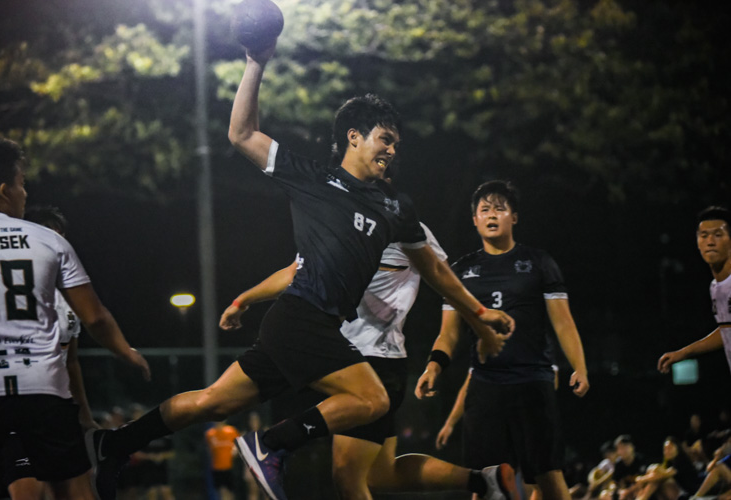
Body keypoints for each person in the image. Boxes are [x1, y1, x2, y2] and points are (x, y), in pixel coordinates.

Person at [86, 41, 514, 500]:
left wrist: (478, 312)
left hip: (307, 327)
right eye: (384, 139)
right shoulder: (312, 180)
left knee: (211, 401)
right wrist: (256, 63)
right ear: (354, 136)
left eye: (396, 144)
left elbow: (435, 271)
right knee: (372, 399)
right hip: (301, 319)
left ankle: (113, 443)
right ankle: (271, 446)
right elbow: (241, 135)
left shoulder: (396, 207)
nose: (392, 150)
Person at [220, 191, 518, 499]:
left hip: (377, 361)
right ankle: (485, 482)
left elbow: (447, 282)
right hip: (346, 357)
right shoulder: (338, 227)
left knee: (347, 478)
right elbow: (295, 273)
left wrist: (472, 333)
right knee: (380, 475)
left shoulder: (406, 230)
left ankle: (273, 442)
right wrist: (244, 300)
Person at [0, 137, 150, 499]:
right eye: (21, 182)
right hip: (41, 386)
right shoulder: (48, 240)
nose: (24, 192)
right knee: (75, 487)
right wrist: (125, 352)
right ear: (4, 190)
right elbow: (96, 316)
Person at [416, 180, 589, 500]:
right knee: (485, 481)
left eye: (500, 208)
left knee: (548, 476)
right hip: (485, 387)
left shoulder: (539, 263)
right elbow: (449, 332)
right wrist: (434, 366)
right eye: (484, 209)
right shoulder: (461, 270)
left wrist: (579, 366)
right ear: (475, 220)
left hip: (532, 382)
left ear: (514, 217)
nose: (492, 214)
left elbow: (563, 322)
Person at [0, 206, 103, 500]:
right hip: (15, 404)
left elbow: (71, 362)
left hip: (55, 411)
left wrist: (85, 416)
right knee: (28, 490)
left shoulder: (69, 300)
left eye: (60, 238)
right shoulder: (5, 291)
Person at [658, 206, 731, 377]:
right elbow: (727, 330)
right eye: (704, 236)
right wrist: (682, 353)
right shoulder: (716, 288)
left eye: (718, 235)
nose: (710, 242)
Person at [206, 421, 241, 500]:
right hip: (217, 468)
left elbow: (238, 446)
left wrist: (235, 451)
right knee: (221, 491)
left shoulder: (231, 431)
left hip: (230, 467)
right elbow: (209, 450)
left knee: (230, 492)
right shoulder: (210, 434)